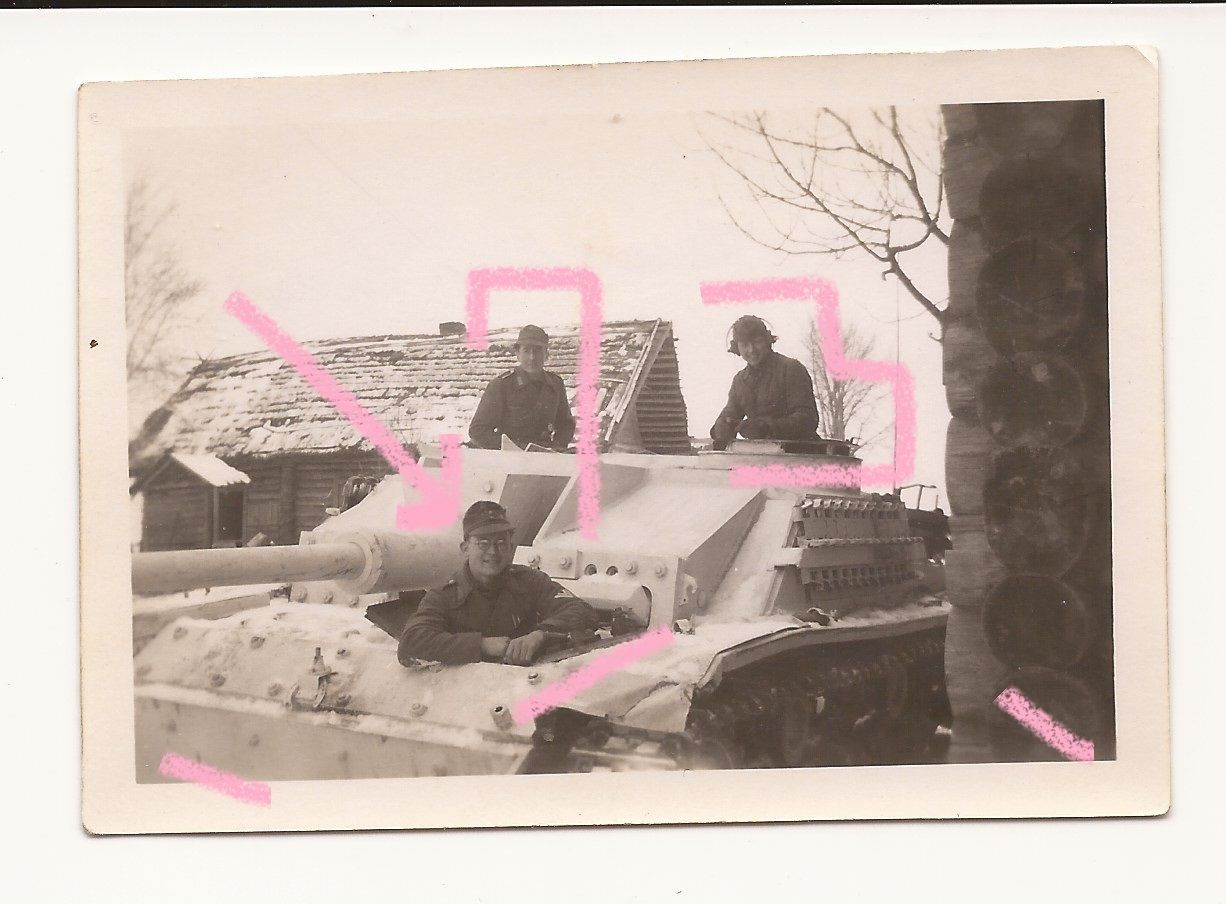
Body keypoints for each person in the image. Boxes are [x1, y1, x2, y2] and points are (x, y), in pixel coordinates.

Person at [398, 501, 598, 666]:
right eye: (483, 543)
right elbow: (411, 642)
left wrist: (540, 634)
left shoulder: (529, 580)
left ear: (511, 547)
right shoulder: (445, 594)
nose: (493, 552)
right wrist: (482, 645)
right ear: (465, 548)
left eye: (501, 543)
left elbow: (581, 610)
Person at [709, 314, 820, 451]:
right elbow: (730, 413)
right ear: (737, 348)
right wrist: (721, 427)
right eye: (744, 345)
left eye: (756, 342)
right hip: (763, 455)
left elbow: (808, 419)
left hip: (802, 454)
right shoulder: (740, 381)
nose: (751, 350)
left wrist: (765, 427)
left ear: (767, 341)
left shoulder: (790, 369)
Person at [469, 324, 576, 451]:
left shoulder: (555, 383)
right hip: (510, 457)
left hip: (545, 456)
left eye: (537, 351)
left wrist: (557, 446)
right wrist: (513, 448)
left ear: (546, 354)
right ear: (517, 354)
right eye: (526, 351)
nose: (532, 357)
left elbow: (566, 424)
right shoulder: (502, 385)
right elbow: (478, 430)